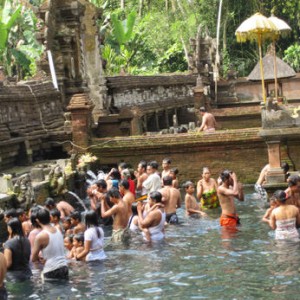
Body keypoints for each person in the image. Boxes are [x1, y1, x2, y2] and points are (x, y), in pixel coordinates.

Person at [31, 208, 68, 280]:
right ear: (50, 217)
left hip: (51, 270)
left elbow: (33, 258)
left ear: (37, 221)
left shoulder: (40, 236)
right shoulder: (58, 229)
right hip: (64, 267)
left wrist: (40, 259)